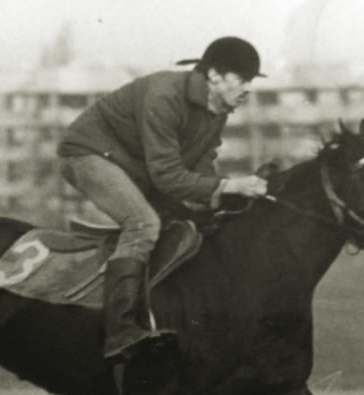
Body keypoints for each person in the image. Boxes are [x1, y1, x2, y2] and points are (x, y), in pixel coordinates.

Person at [57, 36, 269, 363]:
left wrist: (217, 199)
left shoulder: (217, 111)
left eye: (251, 81)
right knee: (143, 224)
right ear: (214, 75)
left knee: (190, 224)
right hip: (86, 154)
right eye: (242, 79)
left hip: (132, 165)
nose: (247, 89)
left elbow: (199, 168)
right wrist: (229, 186)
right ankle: (120, 332)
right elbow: (168, 176)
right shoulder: (165, 95)